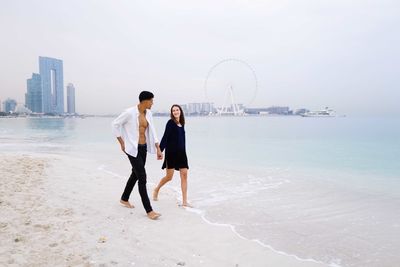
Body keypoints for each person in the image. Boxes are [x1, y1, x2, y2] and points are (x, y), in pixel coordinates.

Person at [112, 91, 163, 220]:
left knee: (135, 174)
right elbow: (115, 124)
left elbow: (153, 131)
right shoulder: (129, 113)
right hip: (132, 149)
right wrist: (122, 143)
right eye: (151, 101)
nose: (152, 103)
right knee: (142, 177)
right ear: (145, 101)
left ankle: (124, 198)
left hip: (143, 148)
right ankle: (149, 210)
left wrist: (158, 148)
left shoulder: (149, 114)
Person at [153, 104, 191, 207]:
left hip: (182, 154)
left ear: (180, 111)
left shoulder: (182, 123)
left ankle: (184, 202)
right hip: (171, 154)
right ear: (172, 113)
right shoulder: (170, 123)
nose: (175, 112)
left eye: (177, 110)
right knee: (169, 177)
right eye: (173, 110)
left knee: (184, 175)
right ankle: (156, 189)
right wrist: (160, 150)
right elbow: (165, 137)